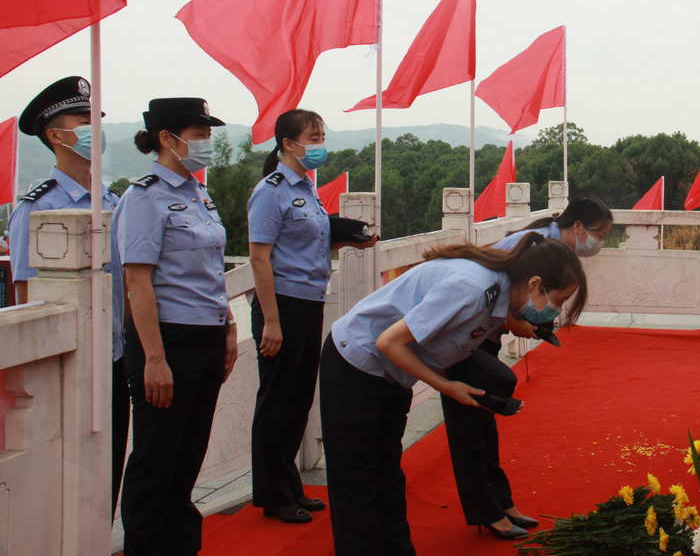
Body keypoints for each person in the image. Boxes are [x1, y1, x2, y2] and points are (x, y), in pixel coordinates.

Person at [320, 235, 588, 555]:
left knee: (388, 477)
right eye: (558, 300)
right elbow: (388, 343)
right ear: (535, 284)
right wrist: (446, 387)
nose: (555, 311)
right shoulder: (473, 289)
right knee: (357, 482)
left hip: (393, 373)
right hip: (357, 362)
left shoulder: (498, 294)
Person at [442, 195, 613, 538]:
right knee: (471, 429)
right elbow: (488, 292)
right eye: (600, 233)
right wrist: (515, 322)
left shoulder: (552, 246)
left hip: (485, 336)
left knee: (486, 425)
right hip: (466, 339)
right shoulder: (533, 246)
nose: (600, 242)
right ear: (577, 227)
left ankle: (501, 503)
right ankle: (486, 511)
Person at [114, 98, 238, 556]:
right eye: (199, 132)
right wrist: (154, 358)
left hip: (206, 334)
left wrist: (227, 327)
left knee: (188, 455)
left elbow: (210, 270)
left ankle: (181, 546)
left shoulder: (197, 192)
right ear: (168, 139)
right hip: (167, 338)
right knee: (156, 459)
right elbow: (138, 280)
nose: (206, 142)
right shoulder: (145, 197)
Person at [7, 76, 130, 517]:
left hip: (113, 357)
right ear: (56, 136)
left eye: (96, 119)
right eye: (83, 121)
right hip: (69, 365)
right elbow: (26, 293)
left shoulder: (112, 201)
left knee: (111, 465)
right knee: (70, 481)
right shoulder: (37, 207)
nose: (93, 129)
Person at [248, 109, 375, 523]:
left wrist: (350, 242)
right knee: (276, 400)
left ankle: (290, 488)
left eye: (322, 136)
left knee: (298, 398)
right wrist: (271, 321)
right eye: (312, 137)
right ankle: (273, 494)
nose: (319, 144)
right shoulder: (271, 191)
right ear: (287, 143)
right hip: (281, 305)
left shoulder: (307, 187)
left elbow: (306, 246)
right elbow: (259, 257)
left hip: (308, 301)